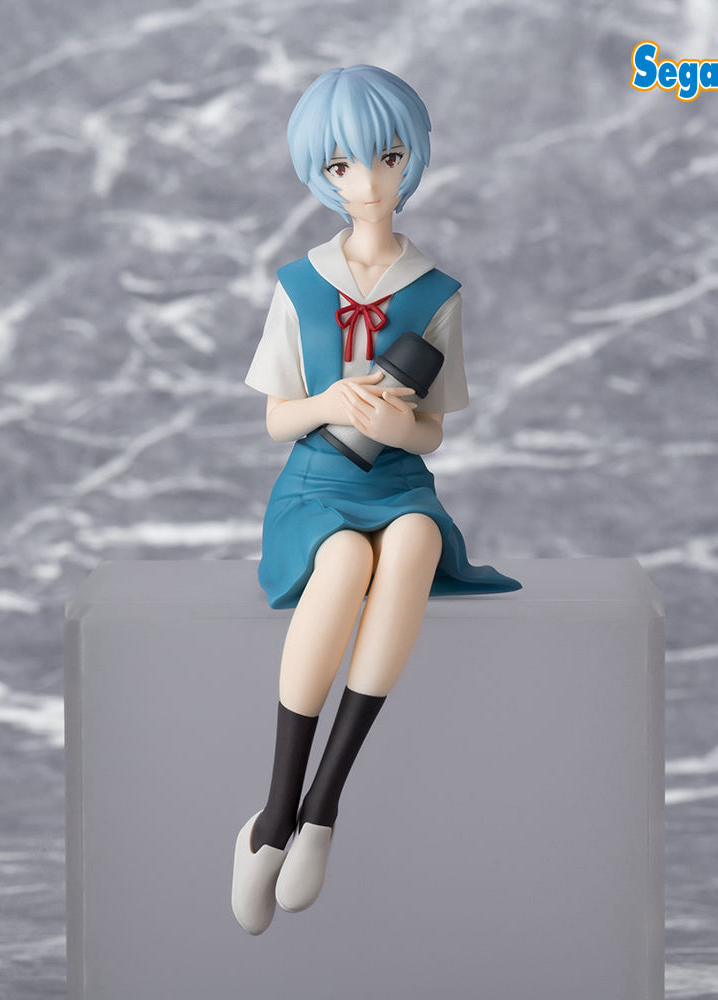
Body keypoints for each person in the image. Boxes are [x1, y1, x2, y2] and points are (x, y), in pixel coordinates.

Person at [232, 64, 520, 936]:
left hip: (397, 482)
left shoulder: (436, 292)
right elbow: (277, 419)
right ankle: (275, 810)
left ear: (412, 160)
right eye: (342, 165)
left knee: (416, 544)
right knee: (345, 561)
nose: (366, 183)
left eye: (386, 158)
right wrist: (331, 403)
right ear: (320, 173)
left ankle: (324, 806)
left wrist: (398, 427)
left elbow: (433, 434)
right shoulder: (299, 284)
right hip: (317, 484)